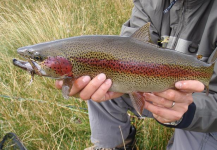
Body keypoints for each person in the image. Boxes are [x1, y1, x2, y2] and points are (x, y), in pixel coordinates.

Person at [56, 0, 217, 149]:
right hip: (152, 86)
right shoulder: (150, 2)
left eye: (38, 59)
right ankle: (115, 144)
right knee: (100, 78)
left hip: (203, 108)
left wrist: (189, 113)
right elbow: (129, 45)